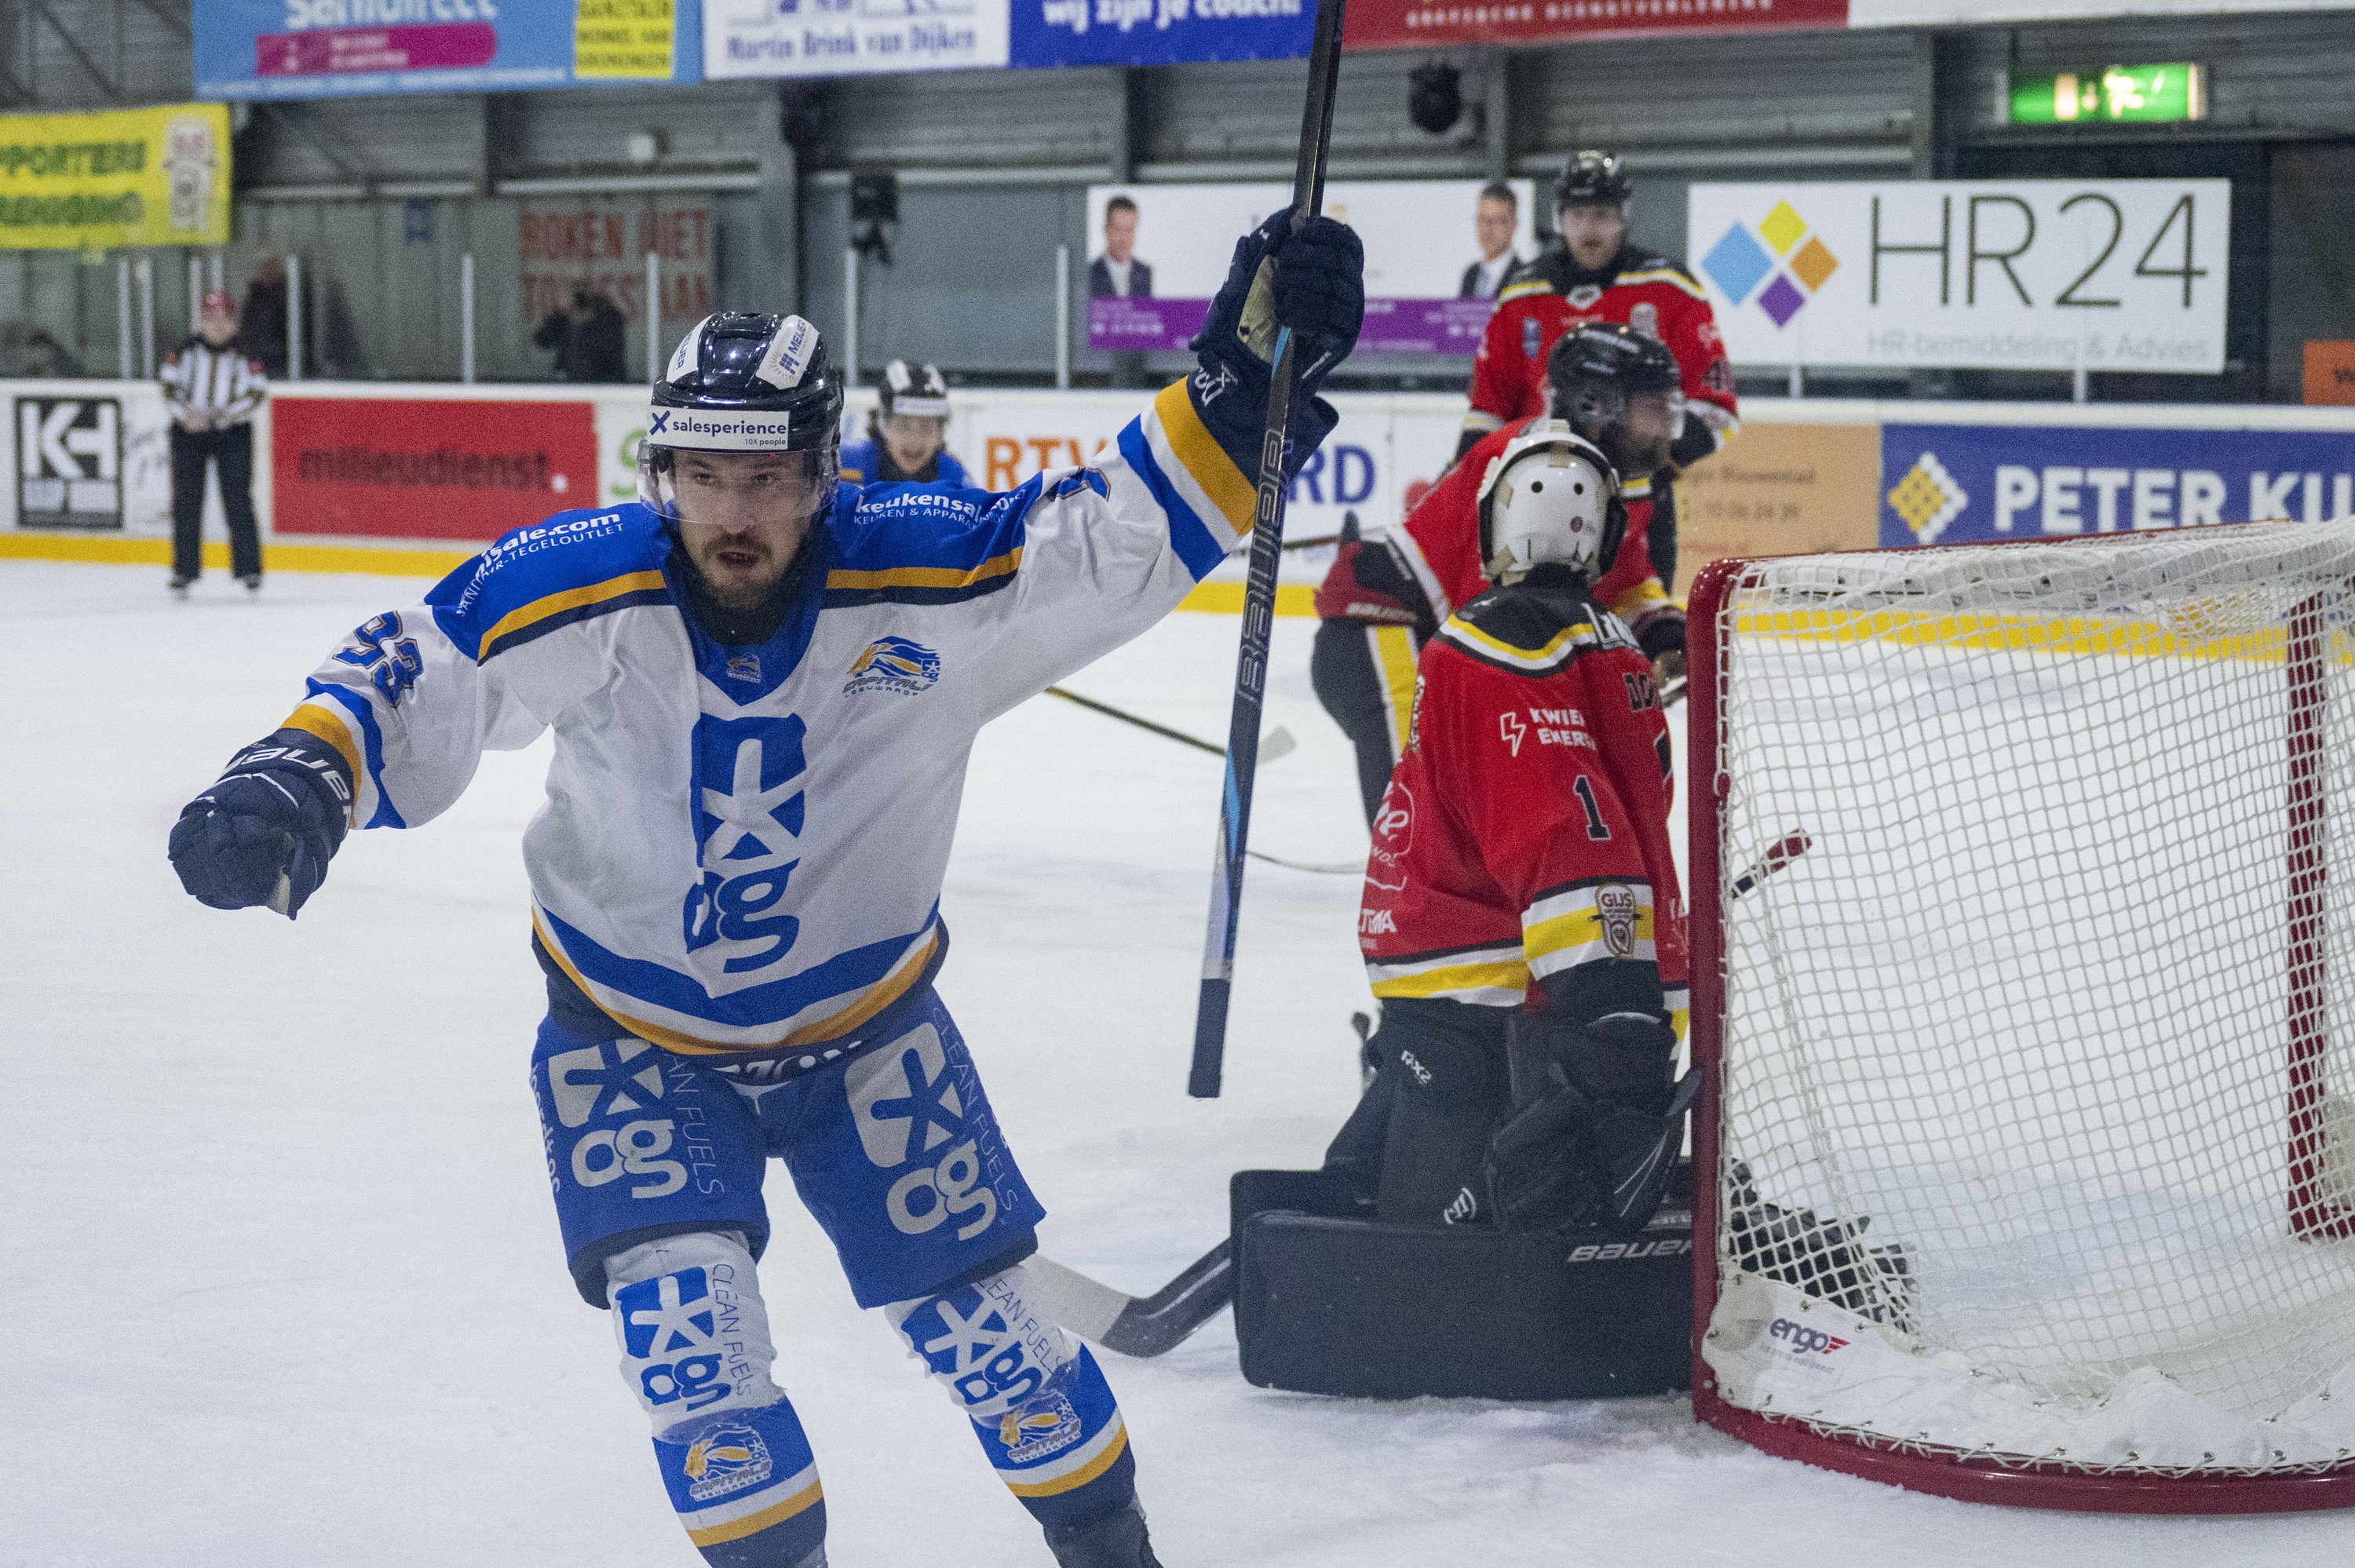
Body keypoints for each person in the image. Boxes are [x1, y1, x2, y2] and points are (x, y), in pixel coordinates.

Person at [165, 213, 1364, 1568]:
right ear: (660, 469)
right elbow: (432, 655)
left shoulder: (927, 567)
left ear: (824, 472)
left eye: (769, 478)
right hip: (632, 1045)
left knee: (1000, 1343)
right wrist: (301, 772)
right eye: (702, 474)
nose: (733, 512)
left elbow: (1107, 538)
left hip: (871, 1038)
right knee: (697, 1367)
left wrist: (1240, 389)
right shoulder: (591, 580)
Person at [1322, 421, 1689, 1240]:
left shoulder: (1487, 647)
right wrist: (1628, 990)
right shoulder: (1615, 648)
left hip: (1494, 990)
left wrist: (1607, 1000)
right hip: (1551, 980)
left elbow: (1561, 829)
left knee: (1458, 1202)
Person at [1313, 323, 1688, 824]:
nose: (1665, 425)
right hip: (1379, 631)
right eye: (1652, 408)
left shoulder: (1616, 472)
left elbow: (1625, 577)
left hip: (1436, 637)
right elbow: (1490, 617)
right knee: (1422, 810)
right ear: (1598, 408)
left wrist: (1664, 631)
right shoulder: (1527, 467)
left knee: (1474, 812)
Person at [1457, 151, 1740, 590]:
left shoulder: (1671, 289)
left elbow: (1717, 408)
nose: (1590, 229)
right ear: (1560, 217)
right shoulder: (1521, 294)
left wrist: (1653, 457)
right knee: (1536, 638)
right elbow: (1488, 410)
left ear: (1624, 217)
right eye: (1579, 214)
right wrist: (1463, 485)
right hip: (1535, 503)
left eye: (1603, 215)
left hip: (1639, 507)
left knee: (1643, 637)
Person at [159, 289, 268, 598]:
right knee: (186, 500)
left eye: (224, 319)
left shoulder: (247, 352)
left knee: (238, 499)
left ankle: (249, 570)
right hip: (188, 434)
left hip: (233, 434)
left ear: (234, 322)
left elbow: (258, 392)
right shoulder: (184, 350)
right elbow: (167, 387)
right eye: (211, 318)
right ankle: (184, 571)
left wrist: (229, 414)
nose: (217, 325)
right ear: (202, 320)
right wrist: (185, 415)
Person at [838, 359, 969, 487]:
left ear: (940, 432)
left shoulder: (954, 476)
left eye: (926, 427)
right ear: (883, 425)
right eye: (903, 426)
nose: (914, 440)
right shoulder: (845, 465)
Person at [534, 286, 630, 382]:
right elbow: (541, 340)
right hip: (569, 382)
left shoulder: (609, 317)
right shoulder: (563, 318)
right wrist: (561, 315)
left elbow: (613, 353)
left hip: (604, 383)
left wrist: (588, 324)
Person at [1456, 182, 1521, 300]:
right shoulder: (1471, 275)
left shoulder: (1525, 278)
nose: (1488, 229)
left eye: (1497, 221)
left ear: (1513, 225)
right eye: (1483, 219)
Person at [1087, 196, 1152, 299]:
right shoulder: (1089, 274)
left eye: (1129, 230)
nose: (1124, 239)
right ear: (1106, 230)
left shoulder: (1145, 273)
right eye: (1118, 230)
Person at [240, 254, 289, 377]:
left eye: (273, 268)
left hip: (282, 361)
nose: (268, 272)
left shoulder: (289, 297)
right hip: (257, 358)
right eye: (266, 268)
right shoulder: (254, 297)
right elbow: (246, 328)